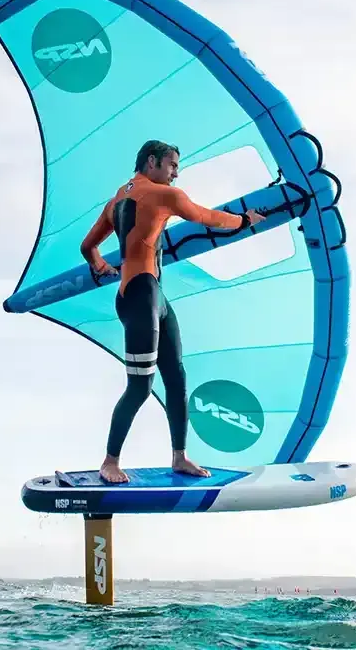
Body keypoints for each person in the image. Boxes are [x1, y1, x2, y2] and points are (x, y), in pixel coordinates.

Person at [80, 140, 266, 483]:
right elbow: (206, 217)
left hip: (150, 297)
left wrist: (101, 265)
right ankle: (109, 462)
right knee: (140, 386)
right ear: (152, 161)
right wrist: (244, 220)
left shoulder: (117, 200)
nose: (176, 173)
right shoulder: (165, 195)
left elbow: (88, 246)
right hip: (142, 297)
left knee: (176, 378)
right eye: (173, 165)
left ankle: (180, 457)